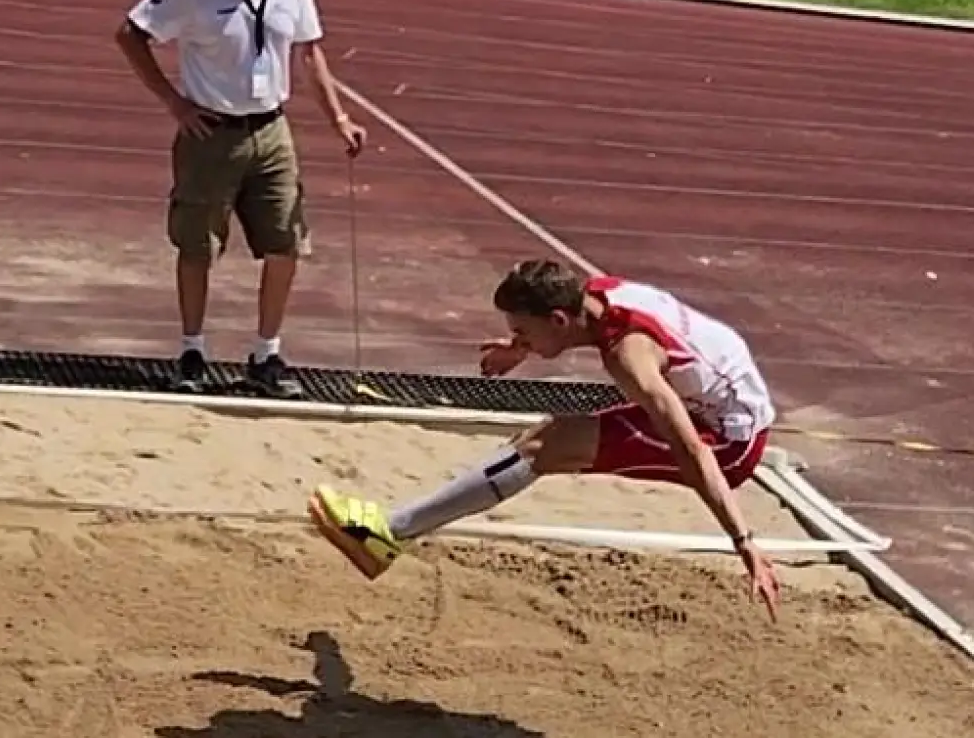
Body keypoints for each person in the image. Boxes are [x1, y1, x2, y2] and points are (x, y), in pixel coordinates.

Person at [308, 259, 782, 618]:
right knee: (534, 442)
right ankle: (390, 533)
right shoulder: (595, 295)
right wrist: (517, 351)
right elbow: (560, 328)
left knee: (547, 444)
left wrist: (746, 545)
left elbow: (691, 449)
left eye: (522, 331)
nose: (519, 338)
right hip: (716, 404)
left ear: (558, 319)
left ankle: (387, 534)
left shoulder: (631, 357)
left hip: (727, 442)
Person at [115, 0, 366, 399]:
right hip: (212, 133)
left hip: (272, 129)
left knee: (286, 243)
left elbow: (309, 51)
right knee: (198, 245)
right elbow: (131, 34)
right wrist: (175, 103)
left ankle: (266, 353)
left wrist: (339, 118)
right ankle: (192, 348)